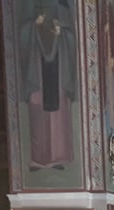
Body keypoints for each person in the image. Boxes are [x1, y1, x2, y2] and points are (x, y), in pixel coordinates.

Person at [18, 0, 77, 172]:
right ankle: (38, 159)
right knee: (38, 116)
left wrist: (61, 31)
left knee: (58, 116)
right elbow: (22, 32)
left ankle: (58, 157)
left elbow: (70, 32)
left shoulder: (62, 3)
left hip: (58, 67)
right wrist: (35, 25)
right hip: (37, 69)